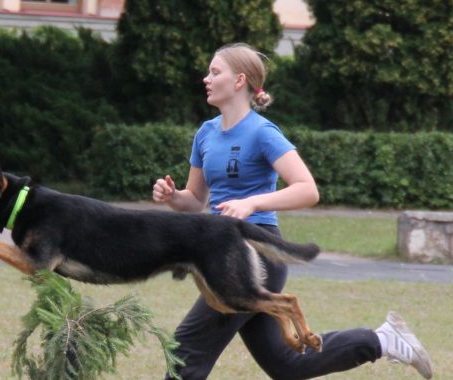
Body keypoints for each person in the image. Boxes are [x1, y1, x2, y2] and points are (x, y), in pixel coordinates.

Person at [152, 43, 433, 380]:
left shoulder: (262, 132)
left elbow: (307, 189)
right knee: (287, 363)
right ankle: (381, 340)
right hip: (222, 249)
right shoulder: (206, 133)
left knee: (186, 351)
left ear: (239, 80)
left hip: (259, 251)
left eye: (215, 72)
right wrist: (172, 196)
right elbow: (196, 200)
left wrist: (253, 202)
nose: (206, 79)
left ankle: (383, 339)